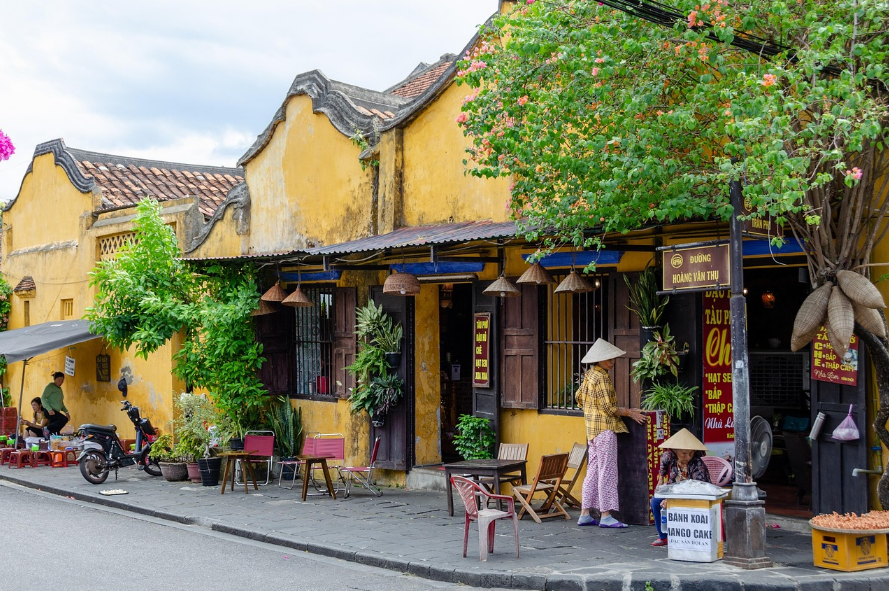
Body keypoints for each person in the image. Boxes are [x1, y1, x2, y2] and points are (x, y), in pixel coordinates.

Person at [575, 338, 648, 529]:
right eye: (609, 359)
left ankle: (585, 513)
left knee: (593, 471)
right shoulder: (602, 377)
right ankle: (606, 515)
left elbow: (578, 397)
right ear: (600, 359)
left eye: (612, 358)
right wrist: (630, 413)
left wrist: (592, 410)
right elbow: (609, 408)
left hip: (592, 430)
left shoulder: (589, 375)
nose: (612, 362)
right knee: (607, 472)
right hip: (605, 430)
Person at [649, 428, 711, 547]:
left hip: (695, 495)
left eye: (690, 453)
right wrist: (661, 478)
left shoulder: (697, 464)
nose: (688, 456)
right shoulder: (671, 457)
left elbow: (695, 488)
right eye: (684, 453)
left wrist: (671, 500)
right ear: (675, 452)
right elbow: (664, 459)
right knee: (655, 501)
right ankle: (664, 537)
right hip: (675, 490)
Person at [41, 372, 70, 436]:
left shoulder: (59, 389)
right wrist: (49, 409)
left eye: (62, 381)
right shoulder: (50, 386)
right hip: (49, 411)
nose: (60, 382)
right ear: (54, 379)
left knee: (55, 430)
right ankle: (47, 428)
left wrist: (66, 412)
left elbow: (61, 403)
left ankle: (51, 436)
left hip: (56, 412)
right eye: (59, 380)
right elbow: (43, 398)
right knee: (64, 419)